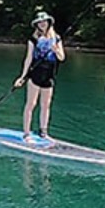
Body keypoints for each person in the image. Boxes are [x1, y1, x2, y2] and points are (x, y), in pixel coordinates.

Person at [14, 11, 66, 141]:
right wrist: (22, 76)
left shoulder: (57, 38)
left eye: (44, 21)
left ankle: (43, 132)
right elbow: (28, 58)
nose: (42, 24)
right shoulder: (33, 39)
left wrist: (56, 50)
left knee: (46, 105)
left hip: (49, 75)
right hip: (35, 75)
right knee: (31, 104)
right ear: (37, 25)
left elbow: (62, 58)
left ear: (49, 23)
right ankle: (27, 133)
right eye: (40, 22)